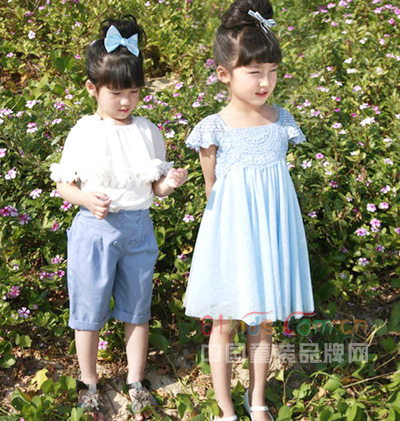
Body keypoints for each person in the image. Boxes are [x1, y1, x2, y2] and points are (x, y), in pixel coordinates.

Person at [50, 15, 187, 421]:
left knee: (136, 308)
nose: (125, 101)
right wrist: (85, 199)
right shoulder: (84, 130)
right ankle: (89, 382)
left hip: (138, 229)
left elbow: (153, 189)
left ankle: (135, 381)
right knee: (89, 310)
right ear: (93, 89)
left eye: (133, 92)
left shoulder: (148, 131)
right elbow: (64, 185)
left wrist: (169, 183)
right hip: (95, 230)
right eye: (116, 93)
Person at [184, 1, 314, 420]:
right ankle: (225, 408)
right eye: (254, 71)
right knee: (223, 323)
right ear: (224, 74)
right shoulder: (214, 128)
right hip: (230, 239)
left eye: (272, 71)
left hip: (272, 237)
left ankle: (256, 399)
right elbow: (213, 192)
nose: (265, 82)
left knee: (263, 321)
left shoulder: (281, 121)